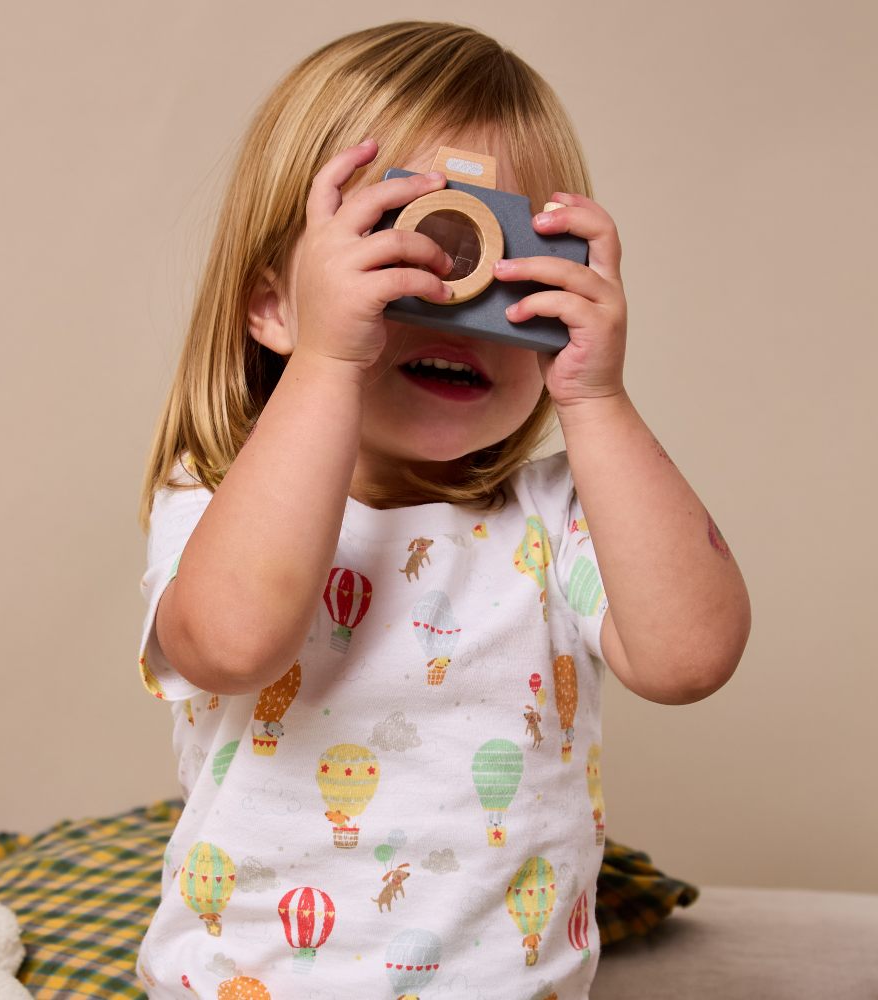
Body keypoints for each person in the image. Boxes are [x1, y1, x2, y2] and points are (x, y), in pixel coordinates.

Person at [134, 20, 751, 1000]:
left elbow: (689, 658)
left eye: (504, 252)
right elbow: (233, 642)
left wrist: (597, 400)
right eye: (401, 247)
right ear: (273, 305)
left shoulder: (554, 516)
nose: (448, 284)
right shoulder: (212, 496)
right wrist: (333, 358)